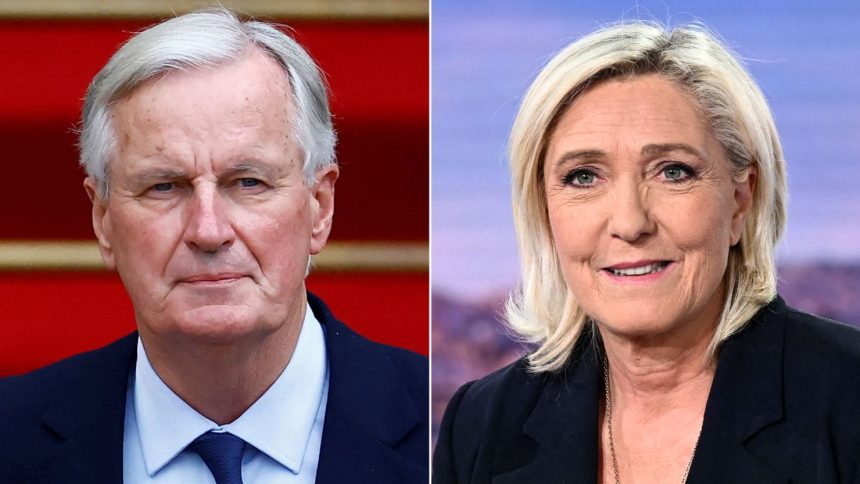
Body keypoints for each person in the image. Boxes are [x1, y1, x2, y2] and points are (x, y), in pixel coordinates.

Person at [0, 8, 427, 484]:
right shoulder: (10, 437)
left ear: (319, 208)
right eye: (164, 186)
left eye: (247, 182)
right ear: (103, 220)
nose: (208, 230)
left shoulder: (446, 430)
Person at [433, 21, 860, 484]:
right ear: (544, 209)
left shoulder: (848, 396)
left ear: (741, 200)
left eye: (673, 172)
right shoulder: (482, 423)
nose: (630, 223)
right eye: (583, 177)